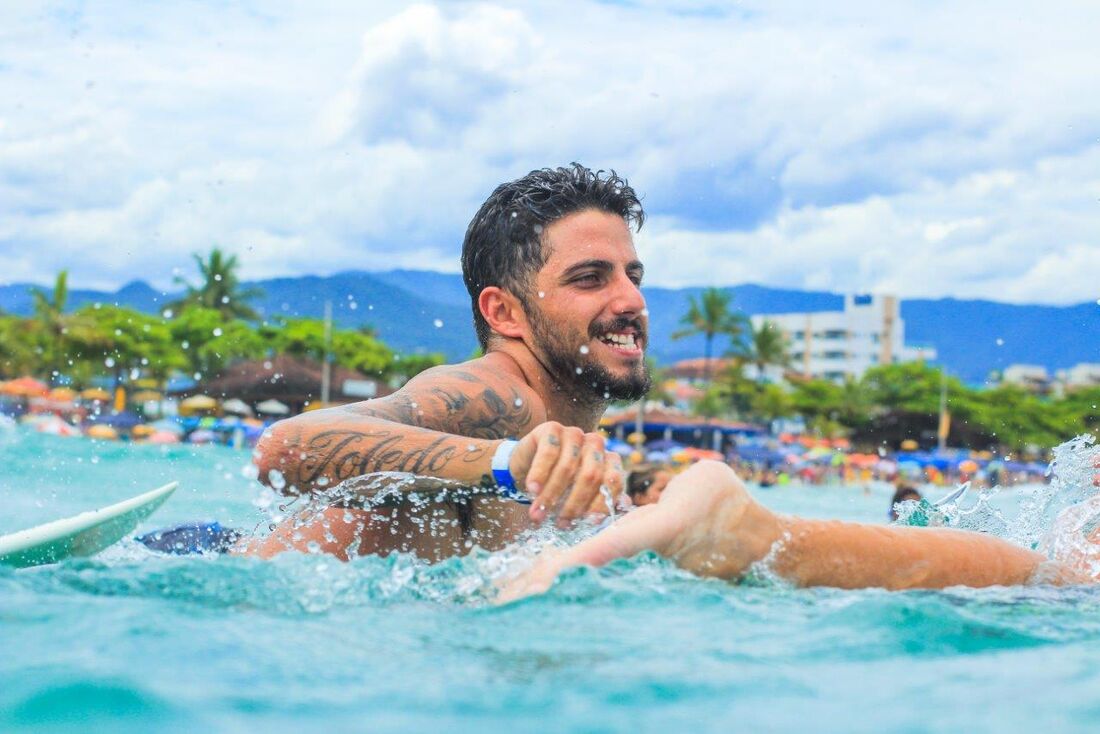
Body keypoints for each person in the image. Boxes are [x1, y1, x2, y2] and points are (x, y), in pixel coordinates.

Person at [251, 163, 1100, 594]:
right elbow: (284, 445)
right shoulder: (497, 398)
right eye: (591, 278)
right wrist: (504, 461)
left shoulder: (570, 436)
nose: (630, 301)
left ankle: (1057, 572)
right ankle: (1060, 574)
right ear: (505, 312)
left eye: (634, 274)